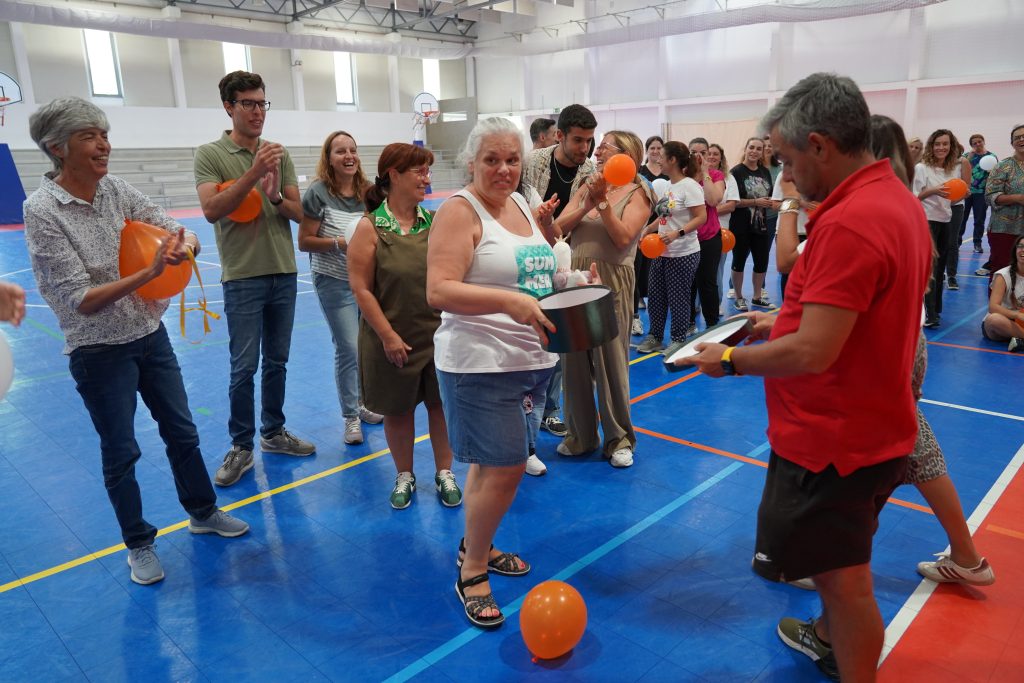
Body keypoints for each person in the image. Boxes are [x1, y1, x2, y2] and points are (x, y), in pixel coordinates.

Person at [679, 74, 932, 683]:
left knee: (846, 586)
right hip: (872, 427)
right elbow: (846, 317)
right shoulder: (895, 201)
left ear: (820, 144)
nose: (788, 176)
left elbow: (816, 351)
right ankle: (829, 643)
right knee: (839, 573)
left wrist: (731, 360)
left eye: (790, 161)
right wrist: (781, 318)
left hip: (833, 444)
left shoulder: (850, 221)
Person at [24, 97, 248, 586]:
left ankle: (202, 511)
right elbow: (81, 298)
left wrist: (182, 246)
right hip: (98, 350)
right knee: (121, 450)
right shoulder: (42, 210)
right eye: (89, 136)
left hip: (150, 334)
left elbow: (181, 232)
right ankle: (139, 543)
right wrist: (148, 270)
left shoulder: (117, 190)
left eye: (103, 134)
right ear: (57, 148)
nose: (104, 144)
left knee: (182, 432)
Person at [427, 117, 558, 628]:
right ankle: (472, 572)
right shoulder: (460, 211)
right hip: (480, 364)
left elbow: (533, 268)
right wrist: (510, 302)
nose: (503, 169)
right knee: (504, 468)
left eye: (511, 159)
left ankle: (473, 546)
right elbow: (439, 289)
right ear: (471, 162)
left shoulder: (523, 203)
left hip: (528, 361)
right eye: (491, 160)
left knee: (491, 468)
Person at [194, 71, 315, 487]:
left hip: (283, 270)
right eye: (248, 103)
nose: (257, 111)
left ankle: (273, 432)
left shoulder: (279, 154)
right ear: (229, 107)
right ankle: (241, 445)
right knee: (243, 366)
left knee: (277, 361)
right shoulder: (210, 154)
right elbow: (212, 209)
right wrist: (253, 176)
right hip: (242, 275)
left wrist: (276, 194)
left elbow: (302, 215)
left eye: (262, 103)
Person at [347, 143, 462, 510]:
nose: (427, 179)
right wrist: (388, 336)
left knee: (440, 407)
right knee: (398, 411)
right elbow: (361, 288)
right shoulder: (369, 227)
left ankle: (445, 473)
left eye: (428, 171)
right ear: (394, 175)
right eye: (420, 172)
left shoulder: (435, 223)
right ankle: (405, 474)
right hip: (390, 338)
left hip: (436, 335)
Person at [553, 130, 654, 468]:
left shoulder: (639, 191)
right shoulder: (587, 183)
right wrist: (586, 202)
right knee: (575, 360)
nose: (597, 153)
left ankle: (619, 438)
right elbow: (558, 228)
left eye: (605, 147)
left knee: (610, 361)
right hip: (577, 276)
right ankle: (581, 436)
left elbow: (624, 238)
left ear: (626, 154)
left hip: (612, 277)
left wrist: (602, 202)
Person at [297, 131, 383, 446]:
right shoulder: (318, 193)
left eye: (352, 150)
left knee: (364, 346)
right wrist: (340, 243)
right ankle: (350, 417)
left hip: (366, 281)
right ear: (329, 158)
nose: (348, 156)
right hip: (332, 281)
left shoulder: (368, 192)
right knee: (348, 347)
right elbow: (304, 241)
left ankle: (361, 404)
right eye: (339, 151)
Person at [522, 104, 598, 456]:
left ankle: (550, 409)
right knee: (532, 336)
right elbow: (526, 216)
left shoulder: (590, 169)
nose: (584, 148)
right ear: (560, 136)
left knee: (560, 335)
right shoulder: (534, 163)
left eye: (589, 140)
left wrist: (555, 225)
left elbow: (567, 222)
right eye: (578, 140)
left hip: (567, 257)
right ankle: (525, 413)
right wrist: (547, 226)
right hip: (531, 256)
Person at [636, 141, 707, 356]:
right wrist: (649, 228)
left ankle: (678, 339)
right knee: (656, 295)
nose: (658, 159)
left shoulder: (690, 186)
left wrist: (678, 233)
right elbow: (665, 215)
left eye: (662, 156)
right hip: (661, 251)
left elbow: (701, 217)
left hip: (683, 252)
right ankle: (655, 337)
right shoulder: (668, 186)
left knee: (678, 297)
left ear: (673, 160)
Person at [913, 129, 970, 328]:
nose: (941, 148)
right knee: (930, 268)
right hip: (926, 221)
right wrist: (934, 190)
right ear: (931, 146)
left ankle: (935, 311)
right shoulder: (921, 168)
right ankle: (929, 314)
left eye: (945, 144)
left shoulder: (951, 170)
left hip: (945, 220)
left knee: (940, 267)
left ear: (951, 146)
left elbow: (951, 199)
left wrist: (962, 194)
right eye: (937, 144)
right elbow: (914, 197)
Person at [729, 137, 775, 311]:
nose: (755, 151)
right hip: (741, 224)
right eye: (752, 147)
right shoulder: (736, 172)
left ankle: (757, 297)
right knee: (739, 260)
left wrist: (769, 202)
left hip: (761, 224)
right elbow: (733, 201)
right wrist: (755, 201)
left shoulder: (764, 171)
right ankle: (739, 296)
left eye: (759, 148)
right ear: (746, 149)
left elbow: (767, 195)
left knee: (761, 261)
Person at [686, 137, 726, 331]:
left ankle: (712, 326)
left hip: (709, 237)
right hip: (686, 237)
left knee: (707, 283)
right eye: (694, 152)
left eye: (703, 152)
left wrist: (704, 173)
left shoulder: (716, 175)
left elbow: (713, 200)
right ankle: (689, 322)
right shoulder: (682, 176)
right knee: (688, 284)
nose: (699, 156)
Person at [632, 135, 669, 336]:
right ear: (647, 151)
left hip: (662, 228)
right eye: (652, 148)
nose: (655, 151)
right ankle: (636, 309)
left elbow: (669, 204)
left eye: (658, 148)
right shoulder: (641, 173)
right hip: (642, 226)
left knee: (657, 270)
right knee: (638, 269)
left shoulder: (668, 173)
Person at [983, 124, 1024, 280]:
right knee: (1002, 272)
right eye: (1017, 137)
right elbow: (990, 196)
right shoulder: (1003, 166)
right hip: (1004, 229)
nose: (1021, 140)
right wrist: (1018, 198)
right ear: (1012, 143)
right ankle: (997, 304)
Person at [708, 143, 739, 317]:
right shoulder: (697, 177)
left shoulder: (728, 178)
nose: (711, 156)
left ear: (721, 158)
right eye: (709, 153)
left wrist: (707, 211)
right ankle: (697, 304)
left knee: (717, 270)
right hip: (698, 231)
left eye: (715, 154)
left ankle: (716, 303)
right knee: (700, 271)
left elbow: (732, 205)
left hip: (721, 231)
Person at [981, 234, 1024, 352]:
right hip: (1004, 322)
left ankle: (1019, 340)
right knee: (993, 320)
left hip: (1021, 323)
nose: (1022, 250)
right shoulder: (1003, 275)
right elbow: (993, 307)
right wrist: (1016, 315)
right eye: (1020, 246)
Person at [959, 134, 996, 255]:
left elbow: (996, 175)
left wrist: (992, 172)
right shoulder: (966, 157)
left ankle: (977, 243)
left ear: (984, 142)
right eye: (974, 143)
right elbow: (959, 170)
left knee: (979, 219)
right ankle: (957, 242)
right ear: (971, 145)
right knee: (961, 219)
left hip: (981, 193)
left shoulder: (991, 157)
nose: (977, 144)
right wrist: (969, 157)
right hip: (966, 192)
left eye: (979, 142)